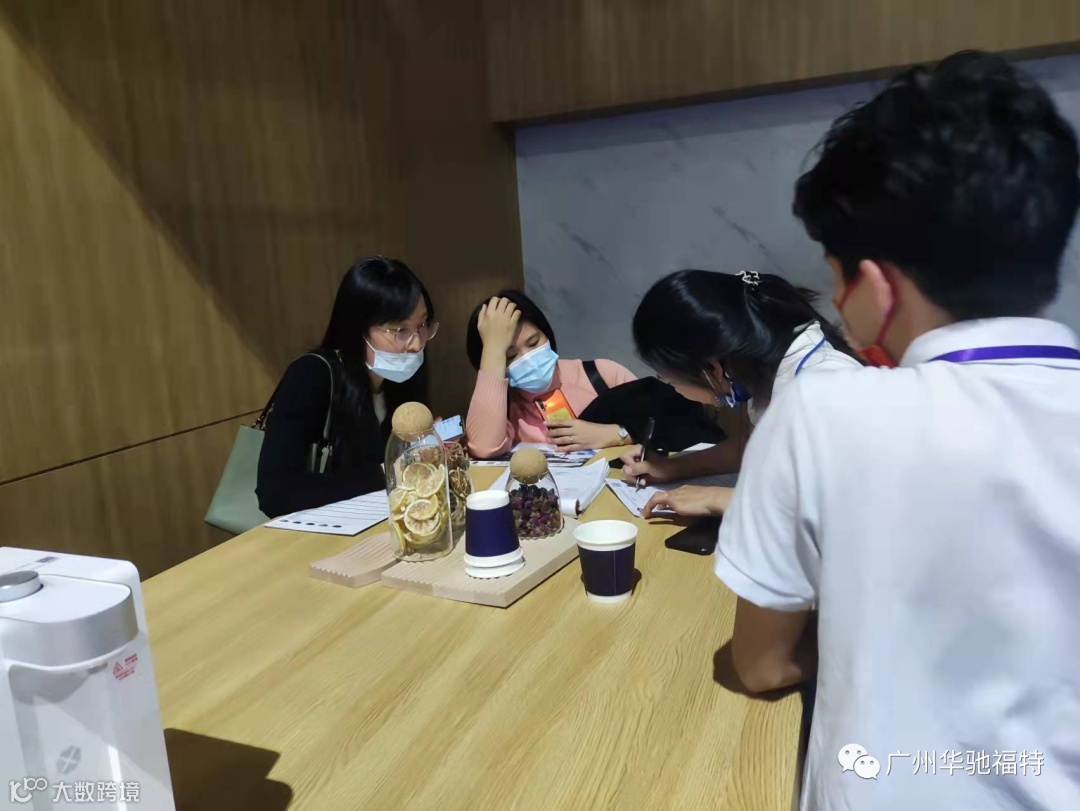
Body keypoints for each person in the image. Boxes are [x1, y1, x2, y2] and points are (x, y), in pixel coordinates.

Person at [719, 52, 1080, 811]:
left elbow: (759, 665)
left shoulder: (822, 413)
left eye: (836, 277)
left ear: (876, 285)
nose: (836, 304)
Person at [622, 269, 860, 516]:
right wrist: (671, 468)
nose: (674, 389)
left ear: (712, 370)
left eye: (669, 380)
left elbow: (848, 502)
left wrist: (720, 498)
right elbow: (749, 448)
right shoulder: (760, 371)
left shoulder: (826, 388)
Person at [256, 256, 437, 516]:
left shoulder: (401, 379)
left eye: (422, 325)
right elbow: (275, 492)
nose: (417, 344)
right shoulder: (312, 375)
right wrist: (385, 473)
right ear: (358, 329)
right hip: (315, 530)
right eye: (400, 331)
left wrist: (424, 445)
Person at [464, 291, 637, 459]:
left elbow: (652, 426)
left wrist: (613, 434)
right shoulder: (504, 406)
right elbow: (484, 447)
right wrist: (493, 349)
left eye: (533, 343)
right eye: (510, 356)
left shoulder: (603, 375)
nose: (528, 359)